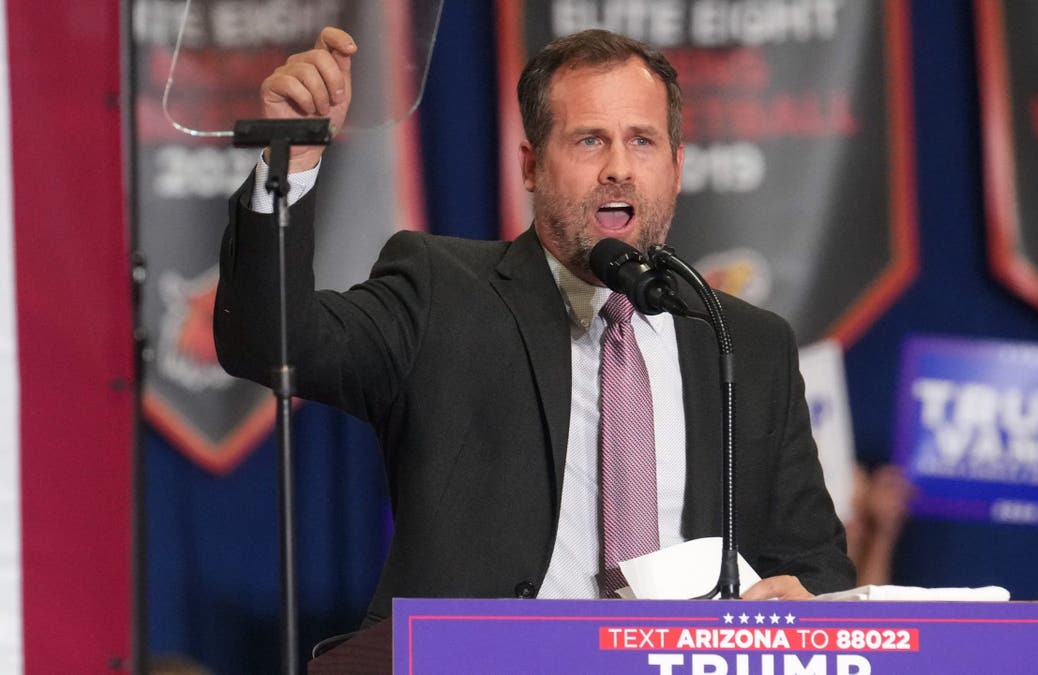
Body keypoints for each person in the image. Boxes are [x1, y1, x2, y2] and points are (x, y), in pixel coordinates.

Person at [214, 26, 854, 626]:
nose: (619, 168)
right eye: (589, 140)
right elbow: (270, 340)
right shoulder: (443, 294)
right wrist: (291, 158)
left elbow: (815, 567)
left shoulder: (746, 344)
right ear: (530, 166)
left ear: (677, 168)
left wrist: (803, 603)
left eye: (642, 141)